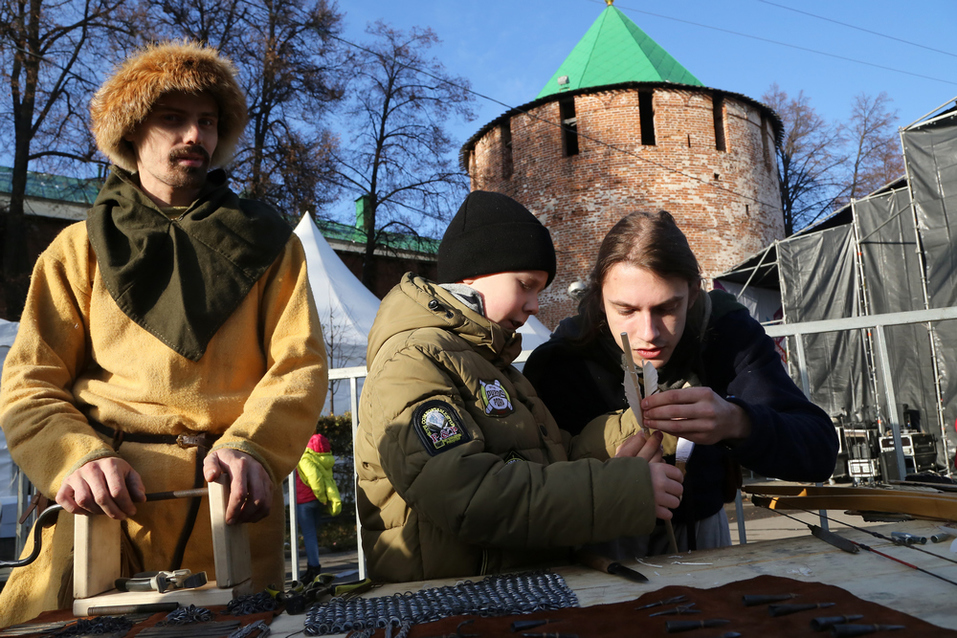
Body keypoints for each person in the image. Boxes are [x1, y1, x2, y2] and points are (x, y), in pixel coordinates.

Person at [0, 41, 328, 624]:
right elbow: (29, 386)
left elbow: (298, 367)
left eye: (206, 121)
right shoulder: (76, 252)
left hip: (231, 507)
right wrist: (76, 457)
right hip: (105, 514)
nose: (193, 136)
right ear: (131, 132)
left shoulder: (274, 246)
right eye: (172, 119)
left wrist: (252, 445)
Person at [354, 191, 684, 583]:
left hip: (501, 593)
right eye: (525, 285)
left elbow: (551, 459)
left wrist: (636, 424)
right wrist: (624, 490)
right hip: (445, 605)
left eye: (539, 291)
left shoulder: (492, 365)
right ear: (472, 274)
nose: (534, 306)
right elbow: (468, 495)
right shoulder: (412, 362)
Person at [524, 210, 838, 555]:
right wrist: (602, 483)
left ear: (692, 293)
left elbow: (818, 450)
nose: (649, 334)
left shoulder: (727, 334)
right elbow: (531, 486)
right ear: (600, 299)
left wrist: (738, 422)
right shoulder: (561, 361)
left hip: (703, 532)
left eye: (667, 308)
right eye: (626, 311)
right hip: (599, 541)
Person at [295, 432, 342, 583]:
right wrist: (321, 499)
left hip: (305, 501)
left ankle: (313, 568)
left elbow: (315, 479)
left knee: (309, 536)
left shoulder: (305, 458)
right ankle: (312, 567)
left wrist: (321, 497)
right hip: (316, 501)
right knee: (312, 534)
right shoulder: (325, 459)